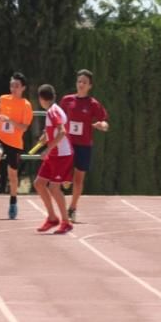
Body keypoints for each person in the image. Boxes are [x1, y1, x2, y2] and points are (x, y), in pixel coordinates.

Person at [59, 69, 109, 223]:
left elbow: (105, 122)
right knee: (64, 177)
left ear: (90, 86)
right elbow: (58, 118)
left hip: (84, 145)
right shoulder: (67, 100)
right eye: (79, 81)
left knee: (79, 180)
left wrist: (102, 125)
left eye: (84, 82)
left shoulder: (93, 104)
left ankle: (72, 208)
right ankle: (65, 180)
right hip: (67, 143)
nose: (81, 84)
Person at [0, 72, 33, 219]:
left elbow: (24, 127)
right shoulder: (4, 99)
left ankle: (13, 202)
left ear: (23, 88)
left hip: (15, 143)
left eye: (17, 86)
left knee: (13, 175)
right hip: (0, 136)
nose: (13, 88)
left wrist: (10, 121)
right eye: (12, 85)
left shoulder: (26, 105)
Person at [33, 84, 75, 234]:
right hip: (54, 154)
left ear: (41, 99)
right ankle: (52, 218)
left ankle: (66, 221)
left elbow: (62, 132)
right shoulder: (52, 111)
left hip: (62, 155)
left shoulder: (52, 112)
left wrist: (47, 149)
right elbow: (56, 129)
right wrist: (46, 136)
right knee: (39, 183)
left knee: (54, 187)